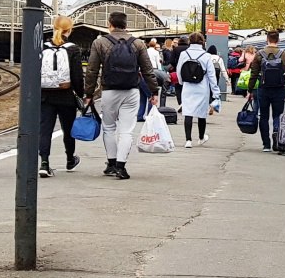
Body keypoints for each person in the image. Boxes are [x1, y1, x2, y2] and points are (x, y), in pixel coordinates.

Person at [84, 10, 160, 179]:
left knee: (109, 127)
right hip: (131, 91)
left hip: (109, 91)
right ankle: (121, 166)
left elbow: (92, 70)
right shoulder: (138, 44)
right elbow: (148, 70)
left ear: (109, 24)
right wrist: (153, 91)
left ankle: (111, 164)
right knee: (126, 130)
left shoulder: (100, 43)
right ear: (126, 26)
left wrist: (88, 93)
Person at [38, 14, 84, 177]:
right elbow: (77, 76)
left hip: (45, 96)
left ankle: (44, 163)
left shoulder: (42, 46)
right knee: (68, 129)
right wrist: (81, 94)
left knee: (45, 130)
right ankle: (70, 159)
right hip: (66, 97)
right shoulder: (73, 48)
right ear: (69, 29)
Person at [248, 30, 285, 152]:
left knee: (263, 116)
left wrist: (250, 90)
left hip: (263, 90)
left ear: (267, 40)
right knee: (278, 115)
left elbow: (253, 74)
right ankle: (276, 133)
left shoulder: (259, 54)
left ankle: (266, 145)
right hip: (279, 90)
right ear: (278, 40)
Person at [175, 32, 217, 147]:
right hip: (202, 87)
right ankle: (201, 137)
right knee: (201, 113)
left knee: (188, 112)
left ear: (190, 41)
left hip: (188, 86)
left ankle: (188, 140)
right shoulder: (206, 56)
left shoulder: (184, 54)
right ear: (202, 42)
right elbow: (211, 75)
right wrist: (215, 91)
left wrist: (181, 82)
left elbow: (179, 70)